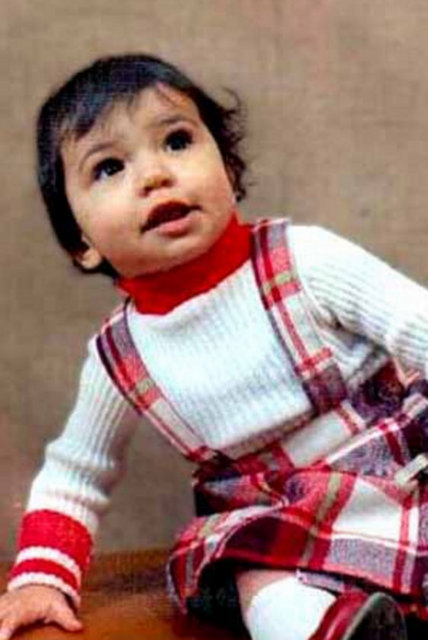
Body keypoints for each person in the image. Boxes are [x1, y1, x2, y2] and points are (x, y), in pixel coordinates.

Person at [0, 53, 427, 640]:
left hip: (400, 468)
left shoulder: (303, 260)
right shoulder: (121, 356)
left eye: (176, 141)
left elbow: (416, 324)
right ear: (81, 243)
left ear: (228, 168)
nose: (155, 175)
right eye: (109, 167)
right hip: (282, 519)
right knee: (253, 576)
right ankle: (335, 631)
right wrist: (42, 579)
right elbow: (76, 472)